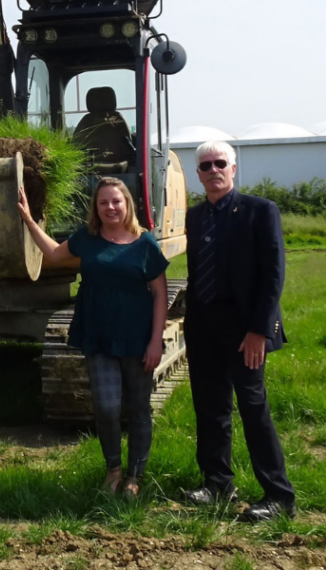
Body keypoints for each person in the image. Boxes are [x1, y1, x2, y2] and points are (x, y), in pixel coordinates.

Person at [17, 177, 168, 497]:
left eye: (116, 201)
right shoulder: (88, 238)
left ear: (127, 204)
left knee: (139, 408)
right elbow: (56, 255)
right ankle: (113, 470)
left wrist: (156, 340)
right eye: (103, 202)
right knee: (107, 406)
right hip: (98, 336)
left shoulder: (145, 243)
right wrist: (29, 220)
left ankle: (135, 477)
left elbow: (159, 293)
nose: (111, 207)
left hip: (138, 339)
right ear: (96, 208)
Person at [182, 140, 295, 522]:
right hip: (205, 330)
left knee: (253, 408)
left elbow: (273, 274)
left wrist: (260, 331)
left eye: (220, 164)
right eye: (205, 166)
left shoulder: (260, 211)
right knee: (210, 408)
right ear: (198, 175)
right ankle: (217, 484)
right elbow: (198, 272)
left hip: (247, 331)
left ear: (233, 169)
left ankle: (279, 496)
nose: (213, 170)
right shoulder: (195, 217)